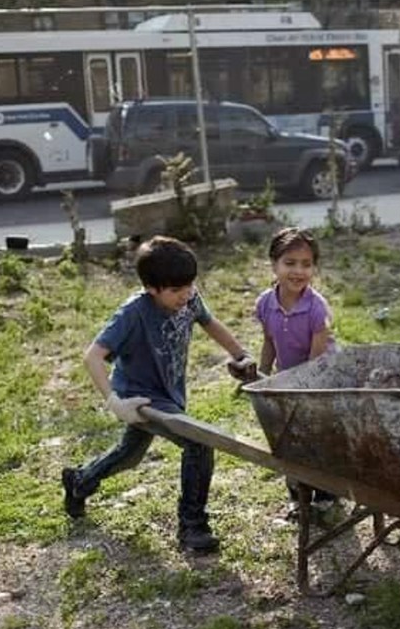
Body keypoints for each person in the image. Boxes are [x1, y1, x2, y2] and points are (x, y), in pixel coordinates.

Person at [61, 235, 255, 555]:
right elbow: (92, 357)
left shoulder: (188, 297)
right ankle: (192, 525)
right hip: (140, 399)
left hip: (168, 392)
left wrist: (239, 354)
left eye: (190, 286)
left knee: (130, 454)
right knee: (198, 442)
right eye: (176, 291)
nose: (186, 295)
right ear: (152, 289)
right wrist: (115, 403)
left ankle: (79, 481)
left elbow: (209, 322)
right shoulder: (133, 313)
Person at [254, 227, 337, 514]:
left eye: (306, 264)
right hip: (287, 379)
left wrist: (298, 391)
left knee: (317, 437)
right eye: (290, 263)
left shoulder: (317, 309)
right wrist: (261, 377)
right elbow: (269, 342)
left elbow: (316, 362)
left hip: (320, 381)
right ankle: (297, 495)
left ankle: (327, 495)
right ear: (274, 264)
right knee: (287, 439)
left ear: (314, 267)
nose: (298, 271)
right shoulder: (265, 303)